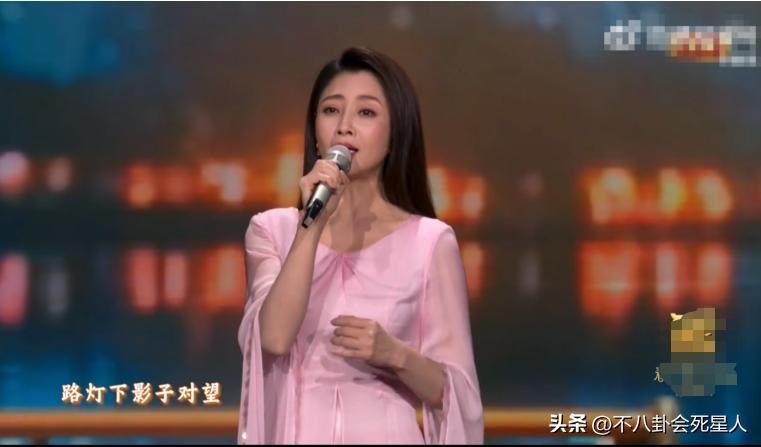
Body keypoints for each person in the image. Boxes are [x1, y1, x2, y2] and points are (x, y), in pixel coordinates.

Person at [237, 47, 483, 444]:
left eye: (366, 112)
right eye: (331, 110)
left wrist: (395, 354)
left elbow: (457, 394)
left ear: (395, 134)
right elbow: (274, 339)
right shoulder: (271, 230)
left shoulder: (430, 242)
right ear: (315, 130)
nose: (344, 127)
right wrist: (311, 225)